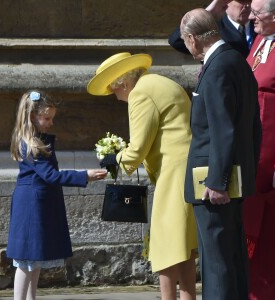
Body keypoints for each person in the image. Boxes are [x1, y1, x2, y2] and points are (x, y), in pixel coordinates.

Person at [87, 52, 198, 300]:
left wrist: (113, 159)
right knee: (184, 245)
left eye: (114, 90)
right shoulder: (162, 82)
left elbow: (137, 149)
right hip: (186, 168)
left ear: (124, 83)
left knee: (164, 246)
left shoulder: (140, 93)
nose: (116, 97)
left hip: (173, 172)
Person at [180, 9, 261, 299]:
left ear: (192, 39)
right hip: (235, 176)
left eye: (185, 40)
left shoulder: (217, 68)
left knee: (217, 264)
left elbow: (222, 130)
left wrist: (217, 181)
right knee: (233, 259)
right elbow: (253, 125)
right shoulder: (236, 60)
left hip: (213, 182)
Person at [6, 90, 107, 300]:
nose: (51, 123)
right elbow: (51, 176)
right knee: (25, 261)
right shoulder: (31, 143)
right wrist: (84, 176)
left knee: (34, 260)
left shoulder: (36, 140)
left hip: (37, 203)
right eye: (47, 118)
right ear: (33, 116)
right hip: (31, 206)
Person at [242, 0, 275, 298]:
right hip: (253, 155)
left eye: (257, 13)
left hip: (274, 162)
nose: (251, 17)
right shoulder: (260, 41)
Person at [169, 0, 256, 58]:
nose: (247, 5)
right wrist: (207, 14)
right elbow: (176, 41)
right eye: (241, 1)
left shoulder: (261, 26)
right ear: (226, 2)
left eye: (250, 0)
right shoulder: (212, 27)